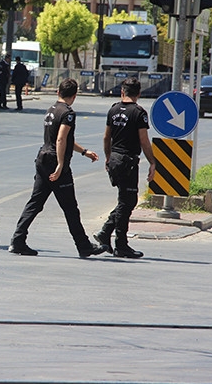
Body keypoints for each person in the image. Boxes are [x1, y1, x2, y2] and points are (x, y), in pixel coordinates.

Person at [9, 79, 108, 258]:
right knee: (70, 207)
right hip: (55, 161)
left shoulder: (51, 110)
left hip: (43, 158)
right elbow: (61, 139)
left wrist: (84, 151)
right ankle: (84, 246)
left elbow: (63, 138)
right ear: (75, 95)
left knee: (35, 203)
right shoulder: (68, 113)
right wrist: (61, 164)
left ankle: (17, 240)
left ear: (58, 92)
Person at [93, 77, 156, 258]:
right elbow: (144, 141)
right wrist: (152, 162)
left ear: (122, 92)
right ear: (139, 94)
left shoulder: (113, 109)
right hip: (127, 161)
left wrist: (107, 157)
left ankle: (106, 234)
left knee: (126, 201)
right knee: (127, 201)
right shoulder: (139, 113)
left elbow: (106, 138)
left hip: (114, 159)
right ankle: (120, 244)